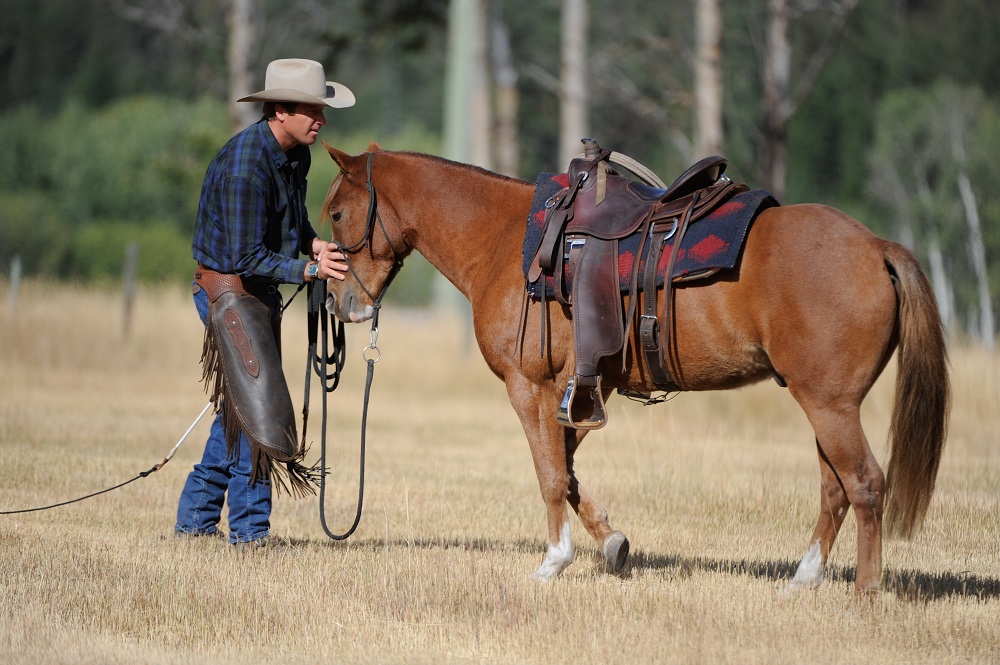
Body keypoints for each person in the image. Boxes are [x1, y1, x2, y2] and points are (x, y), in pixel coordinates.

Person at [175, 58, 352, 550]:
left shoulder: (297, 155)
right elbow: (242, 255)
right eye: (310, 110)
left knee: (240, 411)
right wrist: (309, 271)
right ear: (279, 109)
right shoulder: (244, 168)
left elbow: (289, 223)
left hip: (255, 293)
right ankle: (251, 535)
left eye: (321, 110)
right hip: (227, 292)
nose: (321, 119)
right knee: (259, 411)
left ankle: (194, 523)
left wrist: (312, 245)